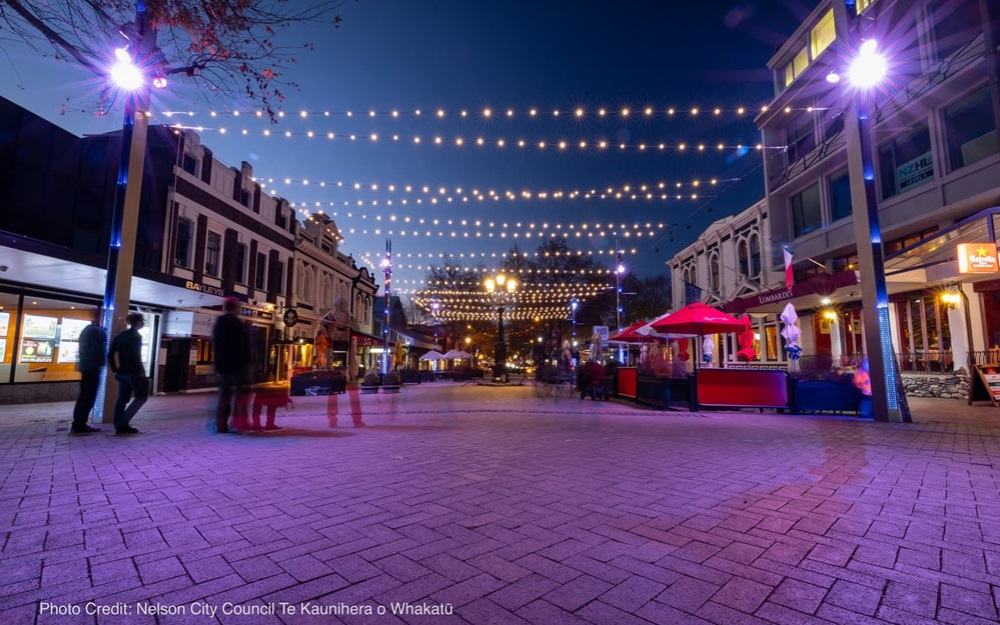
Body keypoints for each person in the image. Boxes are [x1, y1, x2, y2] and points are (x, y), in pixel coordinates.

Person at [213, 297, 250, 433]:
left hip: (223, 366)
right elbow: (241, 346)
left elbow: (218, 346)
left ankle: (221, 425)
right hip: (236, 366)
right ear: (234, 308)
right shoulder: (236, 323)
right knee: (240, 393)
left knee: (224, 395)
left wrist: (218, 366)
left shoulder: (219, 322)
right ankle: (239, 422)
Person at [107, 312, 148, 435]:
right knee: (141, 397)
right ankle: (123, 423)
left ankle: (118, 424)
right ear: (139, 322)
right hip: (134, 372)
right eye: (143, 322)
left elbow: (110, 354)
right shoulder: (136, 336)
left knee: (122, 399)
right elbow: (136, 356)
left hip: (122, 372)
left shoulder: (120, 336)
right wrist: (141, 373)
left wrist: (115, 370)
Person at [71, 308, 105, 434]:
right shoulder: (96, 331)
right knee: (89, 395)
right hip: (92, 366)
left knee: (84, 395)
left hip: (86, 366)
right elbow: (97, 350)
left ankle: (78, 422)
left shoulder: (87, 330)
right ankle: (80, 423)